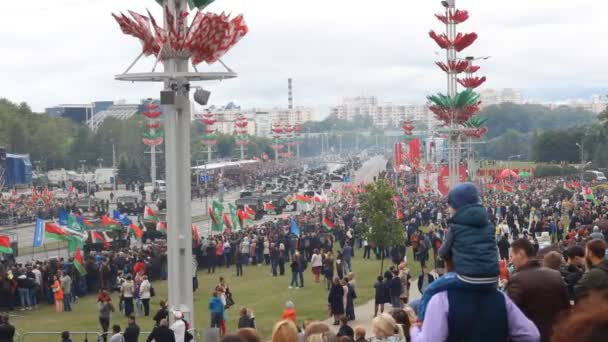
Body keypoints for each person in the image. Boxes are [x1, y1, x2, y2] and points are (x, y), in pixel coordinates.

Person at [417, 183, 499, 320]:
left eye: (450, 206)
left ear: (458, 206)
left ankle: (422, 324)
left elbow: (442, 253)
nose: (448, 209)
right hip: (492, 279)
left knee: (429, 291)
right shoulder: (489, 225)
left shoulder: (455, 227)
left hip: (467, 278)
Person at [410, 257, 541, 342]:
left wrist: (414, 331)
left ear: (447, 264)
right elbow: (531, 335)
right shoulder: (499, 297)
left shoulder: (441, 300)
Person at [506, 238, 570, 342]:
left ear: (521, 254)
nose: (511, 260)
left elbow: (511, 319)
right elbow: (567, 311)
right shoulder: (555, 275)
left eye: (511, 256)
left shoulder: (517, 280)